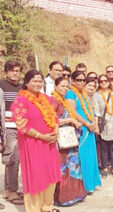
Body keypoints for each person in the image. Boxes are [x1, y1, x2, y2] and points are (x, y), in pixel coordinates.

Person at [11, 70, 61, 212]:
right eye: (34, 81)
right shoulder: (20, 101)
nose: (38, 84)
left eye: (40, 81)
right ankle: (34, 208)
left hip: (49, 143)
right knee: (36, 175)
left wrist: (55, 130)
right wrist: (42, 136)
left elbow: (54, 117)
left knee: (50, 174)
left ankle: (47, 206)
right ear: (26, 83)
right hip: (32, 143)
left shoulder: (45, 98)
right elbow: (22, 126)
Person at [52, 77, 87, 206]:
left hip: (70, 138)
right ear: (55, 86)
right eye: (62, 86)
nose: (65, 89)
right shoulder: (53, 101)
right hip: (61, 140)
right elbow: (52, 121)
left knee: (74, 167)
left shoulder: (65, 101)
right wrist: (69, 121)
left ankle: (75, 194)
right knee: (63, 169)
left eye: (67, 86)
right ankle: (63, 197)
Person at [66, 71, 101, 193]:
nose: (81, 82)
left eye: (83, 80)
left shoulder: (84, 94)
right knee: (83, 156)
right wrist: (87, 124)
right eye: (78, 80)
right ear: (72, 80)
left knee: (91, 155)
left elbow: (91, 110)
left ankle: (91, 183)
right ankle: (84, 185)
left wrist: (93, 124)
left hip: (90, 128)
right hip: (81, 128)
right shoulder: (70, 93)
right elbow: (72, 111)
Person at [0, 60, 23, 206]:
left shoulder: (22, 87)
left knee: (13, 159)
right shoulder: (1, 86)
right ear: (6, 71)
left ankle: (8, 189)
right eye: (13, 70)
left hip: (21, 127)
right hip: (8, 127)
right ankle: (12, 190)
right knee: (12, 158)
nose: (15, 73)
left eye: (18, 71)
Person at [94, 74, 113, 178]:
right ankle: (105, 168)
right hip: (104, 125)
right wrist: (96, 126)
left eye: (105, 80)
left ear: (109, 81)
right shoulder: (96, 95)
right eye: (101, 81)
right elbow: (96, 112)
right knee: (104, 148)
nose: (103, 83)